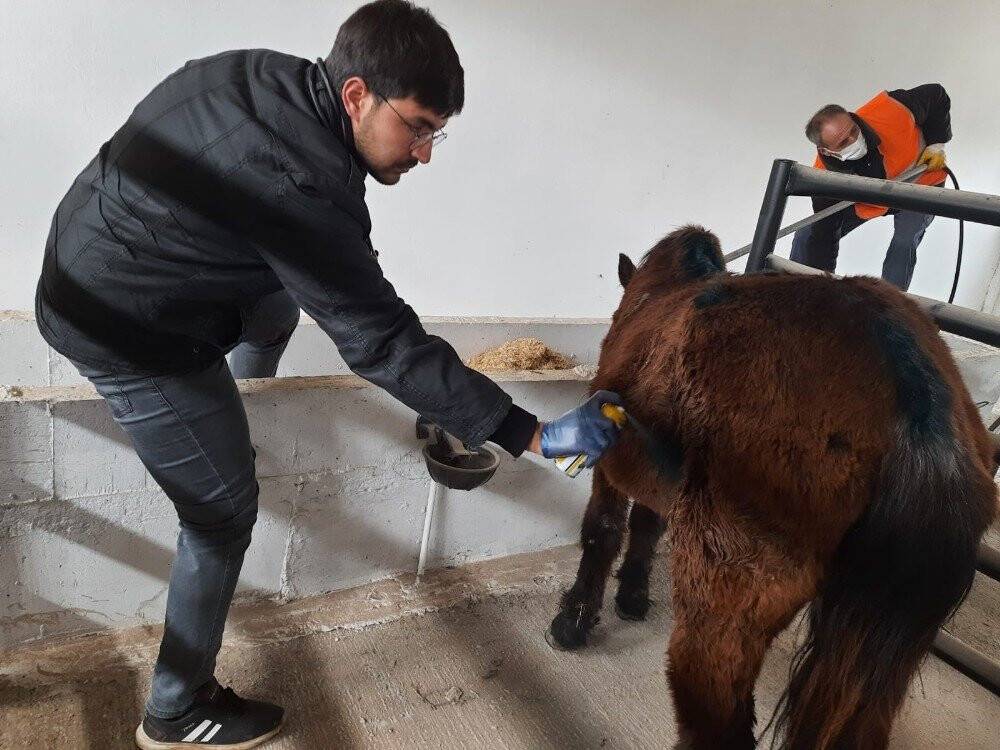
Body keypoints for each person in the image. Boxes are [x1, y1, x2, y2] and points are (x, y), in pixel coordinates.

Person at [34, 2, 622, 747]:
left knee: (278, 304)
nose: (426, 153)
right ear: (356, 95)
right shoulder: (299, 183)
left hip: (92, 253)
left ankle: (246, 404)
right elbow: (380, 341)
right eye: (417, 127)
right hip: (124, 324)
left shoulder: (261, 77)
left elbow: (330, 275)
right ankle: (177, 710)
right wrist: (530, 432)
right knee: (221, 514)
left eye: (437, 133)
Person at [791, 85, 951, 290]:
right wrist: (825, 289)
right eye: (844, 142)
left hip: (922, 183)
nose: (854, 140)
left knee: (904, 239)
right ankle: (797, 291)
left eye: (853, 130)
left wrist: (937, 143)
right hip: (873, 203)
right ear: (827, 151)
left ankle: (892, 301)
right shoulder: (824, 178)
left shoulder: (893, 110)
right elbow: (825, 237)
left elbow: (937, 95)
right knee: (807, 234)